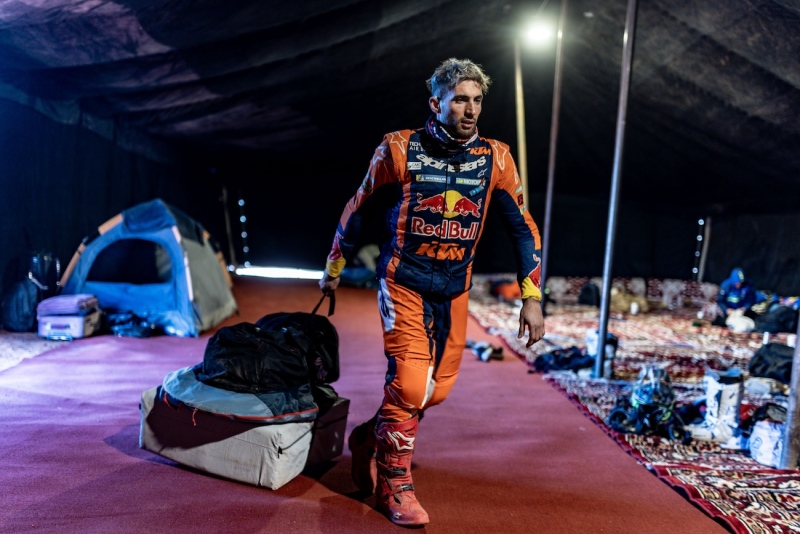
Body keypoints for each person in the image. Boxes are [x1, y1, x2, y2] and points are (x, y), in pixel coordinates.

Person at [319, 58, 545, 526]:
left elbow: (523, 230)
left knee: (433, 393)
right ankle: (395, 485)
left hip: (455, 290)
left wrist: (532, 297)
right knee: (409, 384)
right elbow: (358, 209)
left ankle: (368, 437)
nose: (470, 110)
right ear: (436, 102)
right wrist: (335, 266)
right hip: (403, 282)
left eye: (477, 100)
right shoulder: (397, 149)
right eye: (460, 99)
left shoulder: (497, 158)